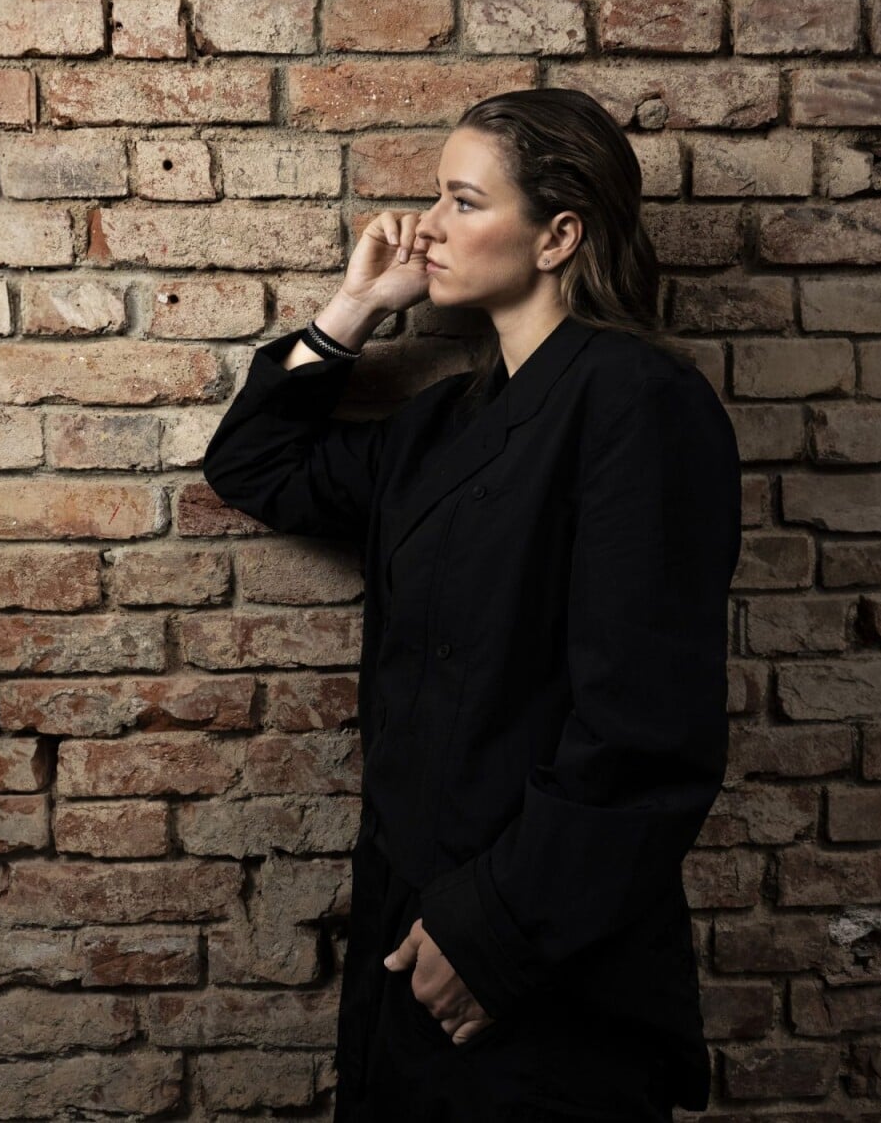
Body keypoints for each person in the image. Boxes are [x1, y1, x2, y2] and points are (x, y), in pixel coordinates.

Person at [202, 88, 742, 1121]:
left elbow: (646, 729)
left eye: (462, 200)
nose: (428, 227)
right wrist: (357, 308)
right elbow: (254, 463)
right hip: (409, 932)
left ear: (558, 236)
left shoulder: (638, 400)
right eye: (435, 198)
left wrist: (495, 933)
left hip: (538, 950)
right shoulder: (442, 421)